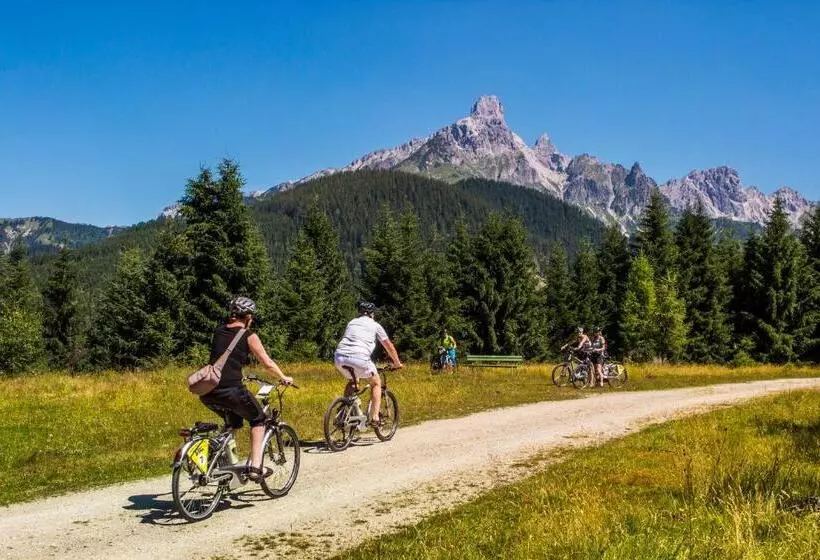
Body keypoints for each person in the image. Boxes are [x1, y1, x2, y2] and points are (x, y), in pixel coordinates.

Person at [200, 296, 294, 482]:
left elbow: (225, 357)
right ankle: (255, 468)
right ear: (248, 316)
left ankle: (220, 460)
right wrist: (284, 377)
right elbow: (267, 363)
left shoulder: (218, 330)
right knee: (258, 420)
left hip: (208, 391)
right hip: (231, 390)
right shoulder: (249, 336)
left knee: (234, 423)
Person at [334, 301, 403, 426]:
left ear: (360, 313)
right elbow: (389, 346)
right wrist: (397, 363)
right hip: (360, 357)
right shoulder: (375, 325)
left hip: (339, 357)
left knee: (353, 381)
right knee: (376, 383)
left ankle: (345, 411)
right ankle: (375, 417)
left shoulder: (352, 322)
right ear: (372, 314)